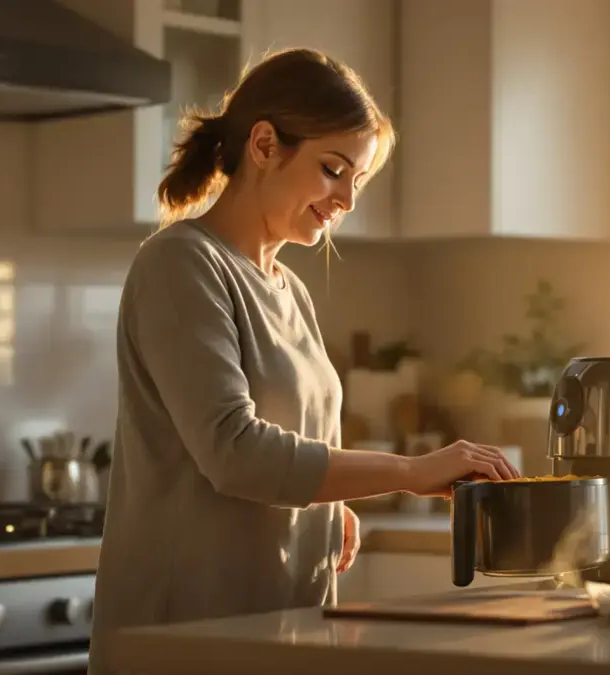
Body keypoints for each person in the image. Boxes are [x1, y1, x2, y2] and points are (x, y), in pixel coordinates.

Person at [87, 47, 519, 675]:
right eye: (332, 169)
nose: (346, 198)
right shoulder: (182, 264)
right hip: (184, 638)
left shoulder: (290, 288)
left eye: (358, 179)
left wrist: (325, 506)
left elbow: (292, 438)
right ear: (265, 145)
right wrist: (407, 469)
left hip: (279, 632)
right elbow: (234, 452)